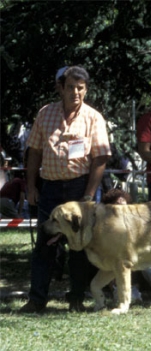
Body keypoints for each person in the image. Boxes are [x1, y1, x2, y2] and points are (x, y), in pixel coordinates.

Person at [19, 66, 111, 313]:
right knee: (44, 245)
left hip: (79, 188)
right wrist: (30, 188)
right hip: (49, 188)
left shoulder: (94, 118)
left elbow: (100, 159)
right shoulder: (45, 114)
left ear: (86, 89)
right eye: (70, 87)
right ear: (61, 88)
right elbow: (34, 152)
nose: (75, 92)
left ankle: (76, 299)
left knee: (79, 247)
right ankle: (37, 300)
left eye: (80, 88)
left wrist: (89, 196)